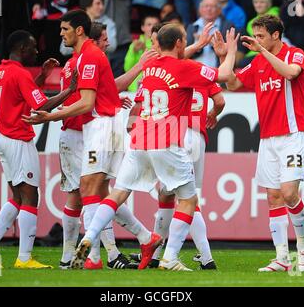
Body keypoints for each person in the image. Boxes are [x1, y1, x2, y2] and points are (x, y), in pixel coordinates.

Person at [71, 23, 238, 271]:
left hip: (139, 140)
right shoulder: (185, 68)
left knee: (118, 194)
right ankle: (170, 258)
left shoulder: (149, 68)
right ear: (180, 43)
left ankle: (89, 235)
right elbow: (224, 76)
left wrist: (198, 45)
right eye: (183, 41)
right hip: (167, 142)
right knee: (188, 200)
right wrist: (231, 51)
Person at [23, 10, 163, 270]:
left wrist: (50, 118)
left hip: (100, 126)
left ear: (79, 30)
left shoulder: (89, 57)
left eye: (64, 29)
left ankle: (94, 257)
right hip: (96, 126)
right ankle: (136, 241)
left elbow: (87, 102)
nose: (60, 33)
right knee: (95, 191)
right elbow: (104, 92)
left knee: (87, 189)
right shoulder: (81, 60)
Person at [57, 21, 156, 270]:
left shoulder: (86, 60)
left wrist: (109, 98)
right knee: (84, 194)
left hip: (93, 129)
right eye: (103, 39)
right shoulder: (81, 62)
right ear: (91, 38)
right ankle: (74, 255)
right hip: (77, 132)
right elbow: (89, 98)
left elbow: (104, 90)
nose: (108, 42)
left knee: (95, 193)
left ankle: (103, 255)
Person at [0, 30, 76, 269]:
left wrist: (42, 76)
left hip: (1, 136)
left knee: (18, 197)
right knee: (31, 196)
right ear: (22, 49)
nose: (36, 51)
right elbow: (41, 105)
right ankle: (24, 258)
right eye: (32, 47)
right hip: (17, 138)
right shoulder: (19, 73)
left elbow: (22, 96)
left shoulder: (0, 71)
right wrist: (70, 90)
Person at [129, 22, 226, 270]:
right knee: (180, 196)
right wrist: (213, 113)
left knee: (182, 197)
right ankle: (175, 253)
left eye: (155, 43)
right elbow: (221, 98)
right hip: (196, 135)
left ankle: (179, 254)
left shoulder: (166, 71)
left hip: (178, 134)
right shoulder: (196, 70)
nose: (154, 47)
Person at [223, 15, 304, 272]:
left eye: (261, 35)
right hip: (268, 138)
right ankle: (282, 258)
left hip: (293, 134)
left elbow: (291, 73)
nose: (257, 40)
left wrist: (261, 50)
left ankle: (303, 248)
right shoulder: (257, 62)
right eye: (256, 36)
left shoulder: (295, 54)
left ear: (275, 35)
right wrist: (226, 55)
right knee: (273, 197)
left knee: (289, 193)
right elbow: (232, 83)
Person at [124, 14, 160, 92]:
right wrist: (134, 51)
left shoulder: (161, 44)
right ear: (142, 27)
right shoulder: (134, 44)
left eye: (155, 24)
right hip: (135, 88)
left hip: (155, 85)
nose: (152, 27)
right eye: (149, 24)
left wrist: (145, 50)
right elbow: (127, 68)